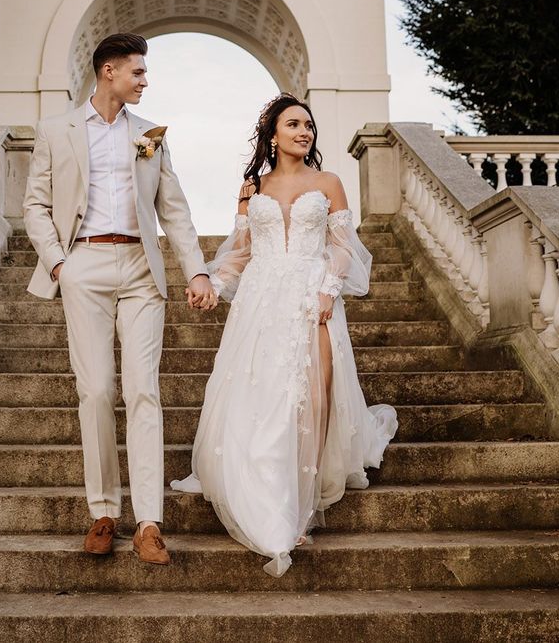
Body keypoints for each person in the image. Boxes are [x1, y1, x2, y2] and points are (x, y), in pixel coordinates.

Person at [171, 93, 398, 576]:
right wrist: (213, 283)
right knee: (263, 396)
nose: (304, 132)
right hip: (260, 299)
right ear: (272, 134)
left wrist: (328, 290)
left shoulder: (329, 182)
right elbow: (239, 252)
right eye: (294, 124)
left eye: (309, 126)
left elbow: (342, 247)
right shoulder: (252, 188)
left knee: (314, 397)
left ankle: (304, 502)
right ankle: (263, 486)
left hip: (312, 293)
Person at [23, 32, 217, 566]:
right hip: (82, 262)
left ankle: (149, 522)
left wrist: (196, 271)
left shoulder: (149, 134)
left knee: (142, 390)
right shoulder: (56, 130)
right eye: (138, 72)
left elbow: (174, 210)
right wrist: (60, 263)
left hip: (140, 268)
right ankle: (103, 512)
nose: (145, 81)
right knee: (95, 390)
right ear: (109, 71)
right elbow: (35, 205)